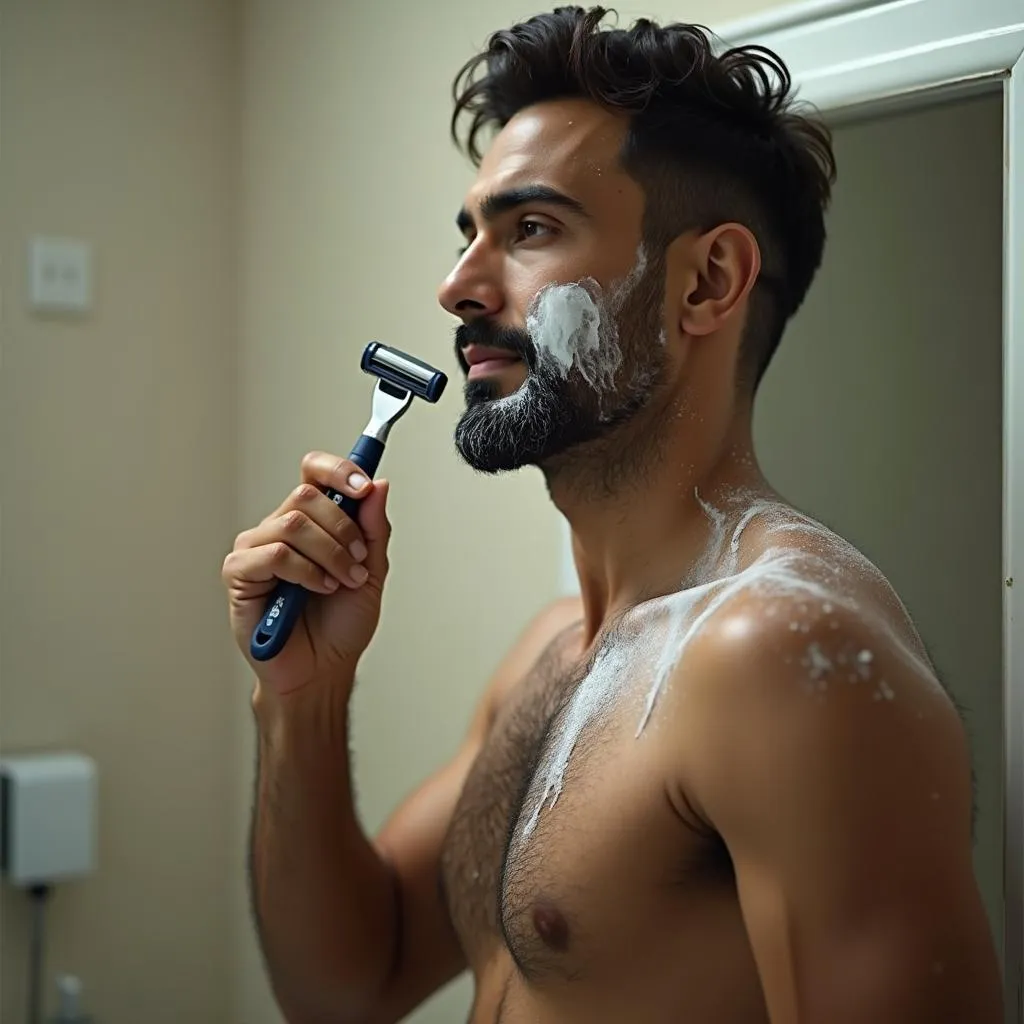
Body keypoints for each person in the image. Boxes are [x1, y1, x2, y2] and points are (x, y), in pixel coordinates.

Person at [221, 7, 1004, 1023]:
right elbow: (343, 987)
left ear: (706, 282)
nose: (457, 285)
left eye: (531, 228)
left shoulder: (777, 651)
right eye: (470, 234)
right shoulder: (551, 651)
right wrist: (303, 699)